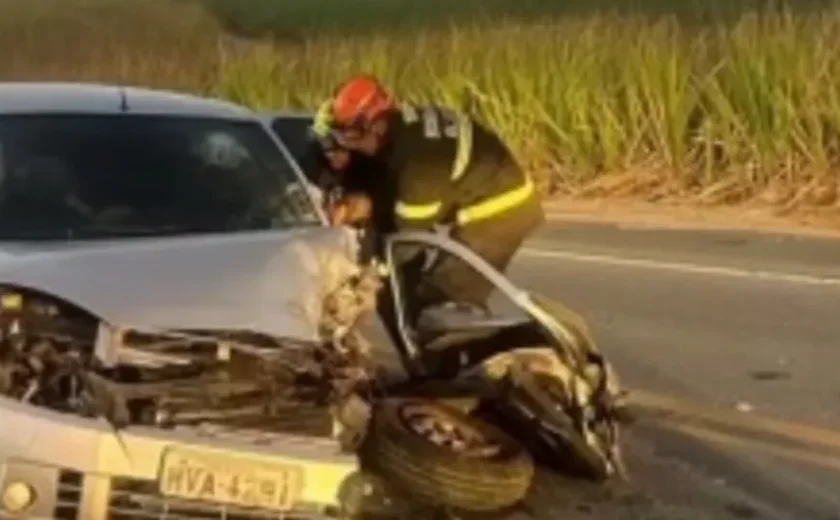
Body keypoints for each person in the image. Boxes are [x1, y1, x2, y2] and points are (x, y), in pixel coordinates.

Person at [321, 74, 545, 311]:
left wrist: (369, 279)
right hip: (476, 192)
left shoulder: (419, 167)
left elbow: (406, 240)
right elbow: (374, 170)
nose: (348, 144)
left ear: (377, 124)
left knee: (446, 299)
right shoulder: (397, 128)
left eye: (353, 134)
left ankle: (482, 346)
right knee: (410, 295)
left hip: (502, 210)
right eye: (340, 133)